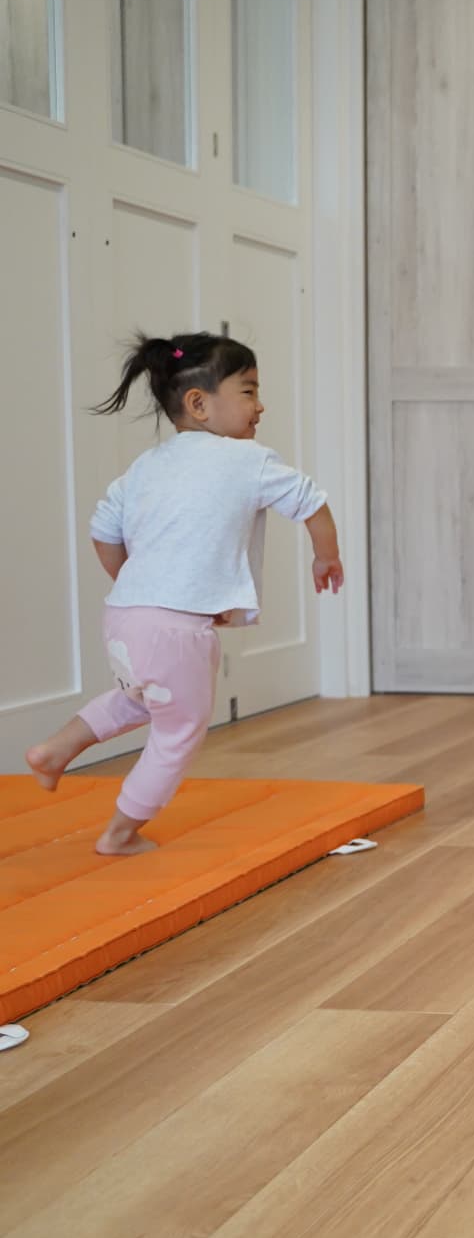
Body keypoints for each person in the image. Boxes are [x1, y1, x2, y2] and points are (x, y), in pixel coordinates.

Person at [25, 334, 341, 855]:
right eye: (249, 391)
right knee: (180, 731)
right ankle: (120, 832)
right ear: (199, 403)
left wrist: (140, 585)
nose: (260, 405)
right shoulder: (248, 460)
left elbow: (103, 531)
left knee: (141, 699)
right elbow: (312, 502)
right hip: (175, 629)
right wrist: (326, 556)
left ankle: (56, 750)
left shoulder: (145, 466)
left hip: (125, 616)